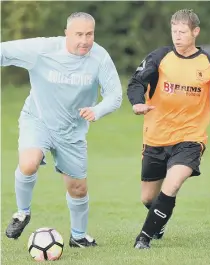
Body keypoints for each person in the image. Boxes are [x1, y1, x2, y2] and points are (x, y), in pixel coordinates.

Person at [1, 12, 122, 247]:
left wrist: (98, 110)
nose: (85, 41)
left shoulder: (99, 57)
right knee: (28, 163)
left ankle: (78, 236)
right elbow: (3, 51)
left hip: (72, 130)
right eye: (79, 34)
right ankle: (22, 213)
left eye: (89, 34)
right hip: (38, 119)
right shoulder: (43, 49)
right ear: (66, 33)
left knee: (78, 188)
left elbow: (115, 95)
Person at [127, 9, 210, 249]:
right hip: (156, 137)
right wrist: (138, 102)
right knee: (148, 197)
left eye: (182, 32)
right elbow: (137, 81)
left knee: (173, 183)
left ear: (195, 32)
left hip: (190, 137)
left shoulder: (208, 64)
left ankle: (143, 238)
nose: (177, 37)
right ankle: (159, 217)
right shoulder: (160, 57)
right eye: (174, 32)